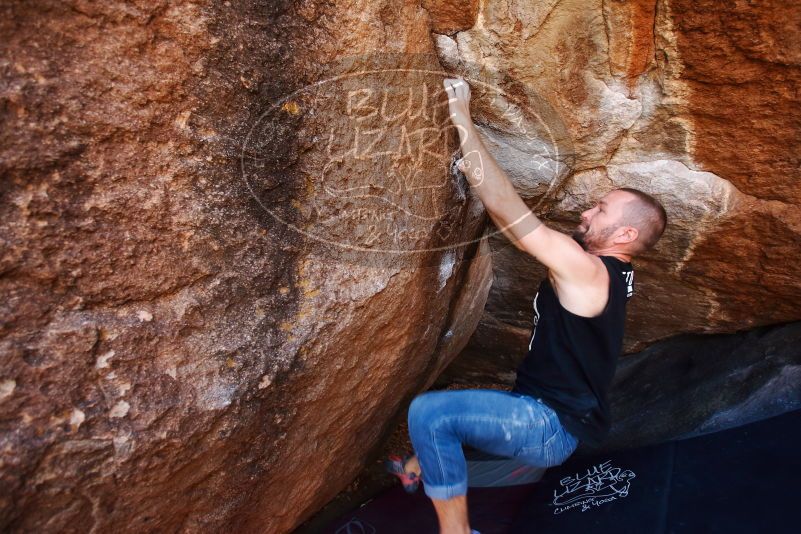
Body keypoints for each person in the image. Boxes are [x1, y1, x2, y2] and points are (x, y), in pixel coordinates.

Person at [386, 78, 668, 534]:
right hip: (546, 416)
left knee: (430, 413)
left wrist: (462, 122)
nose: (586, 212)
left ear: (626, 235)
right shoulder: (612, 275)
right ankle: (423, 465)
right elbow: (505, 220)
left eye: (600, 209)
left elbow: (511, 214)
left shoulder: (588, 271)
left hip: (546, 425)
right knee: (445, 433)